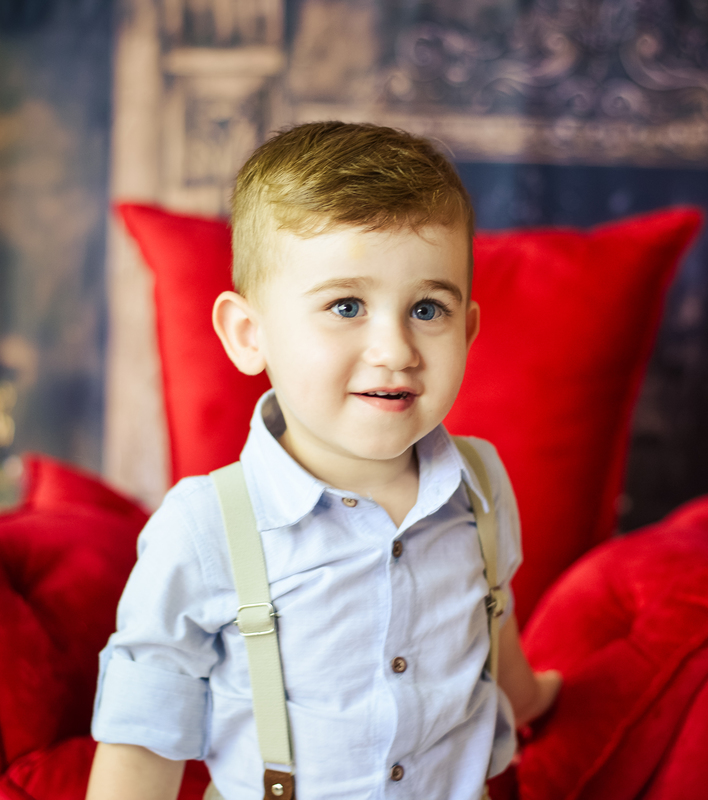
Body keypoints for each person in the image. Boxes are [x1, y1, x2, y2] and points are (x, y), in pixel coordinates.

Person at [86, 121, 561, 800]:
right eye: (346, 305)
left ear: (469, 330)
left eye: (428, 308)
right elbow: (141, 742)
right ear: (251, 335)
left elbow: (491, 619)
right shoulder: (207, 527)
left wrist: (532, 695)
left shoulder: (480, 485)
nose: (395, 349)